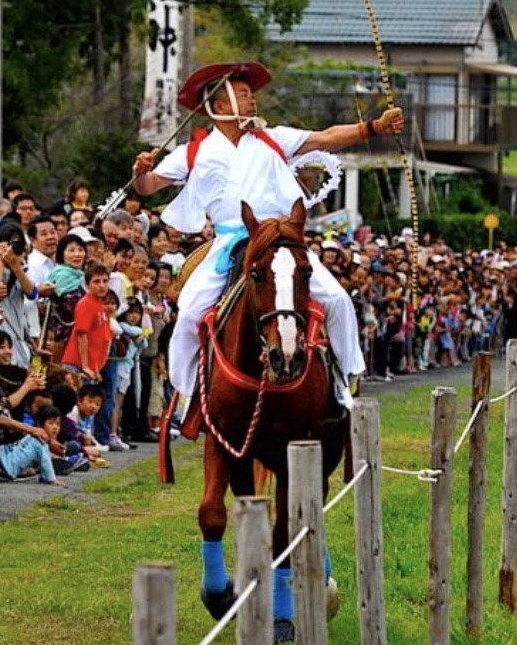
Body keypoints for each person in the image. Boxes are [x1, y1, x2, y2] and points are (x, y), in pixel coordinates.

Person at [130, 61, 402, 409]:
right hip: (230, 244)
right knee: (188, 313)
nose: (252, 101)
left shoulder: (272, 138)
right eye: (243, 95)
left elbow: (326, 137)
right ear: (220, 104)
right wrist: (140, 172)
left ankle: (340, 382)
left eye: (251, 95)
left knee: (337, 300)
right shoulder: (194, 152)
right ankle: (190, 398)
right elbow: (148, 186)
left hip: (280, 242)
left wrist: (373, 127)